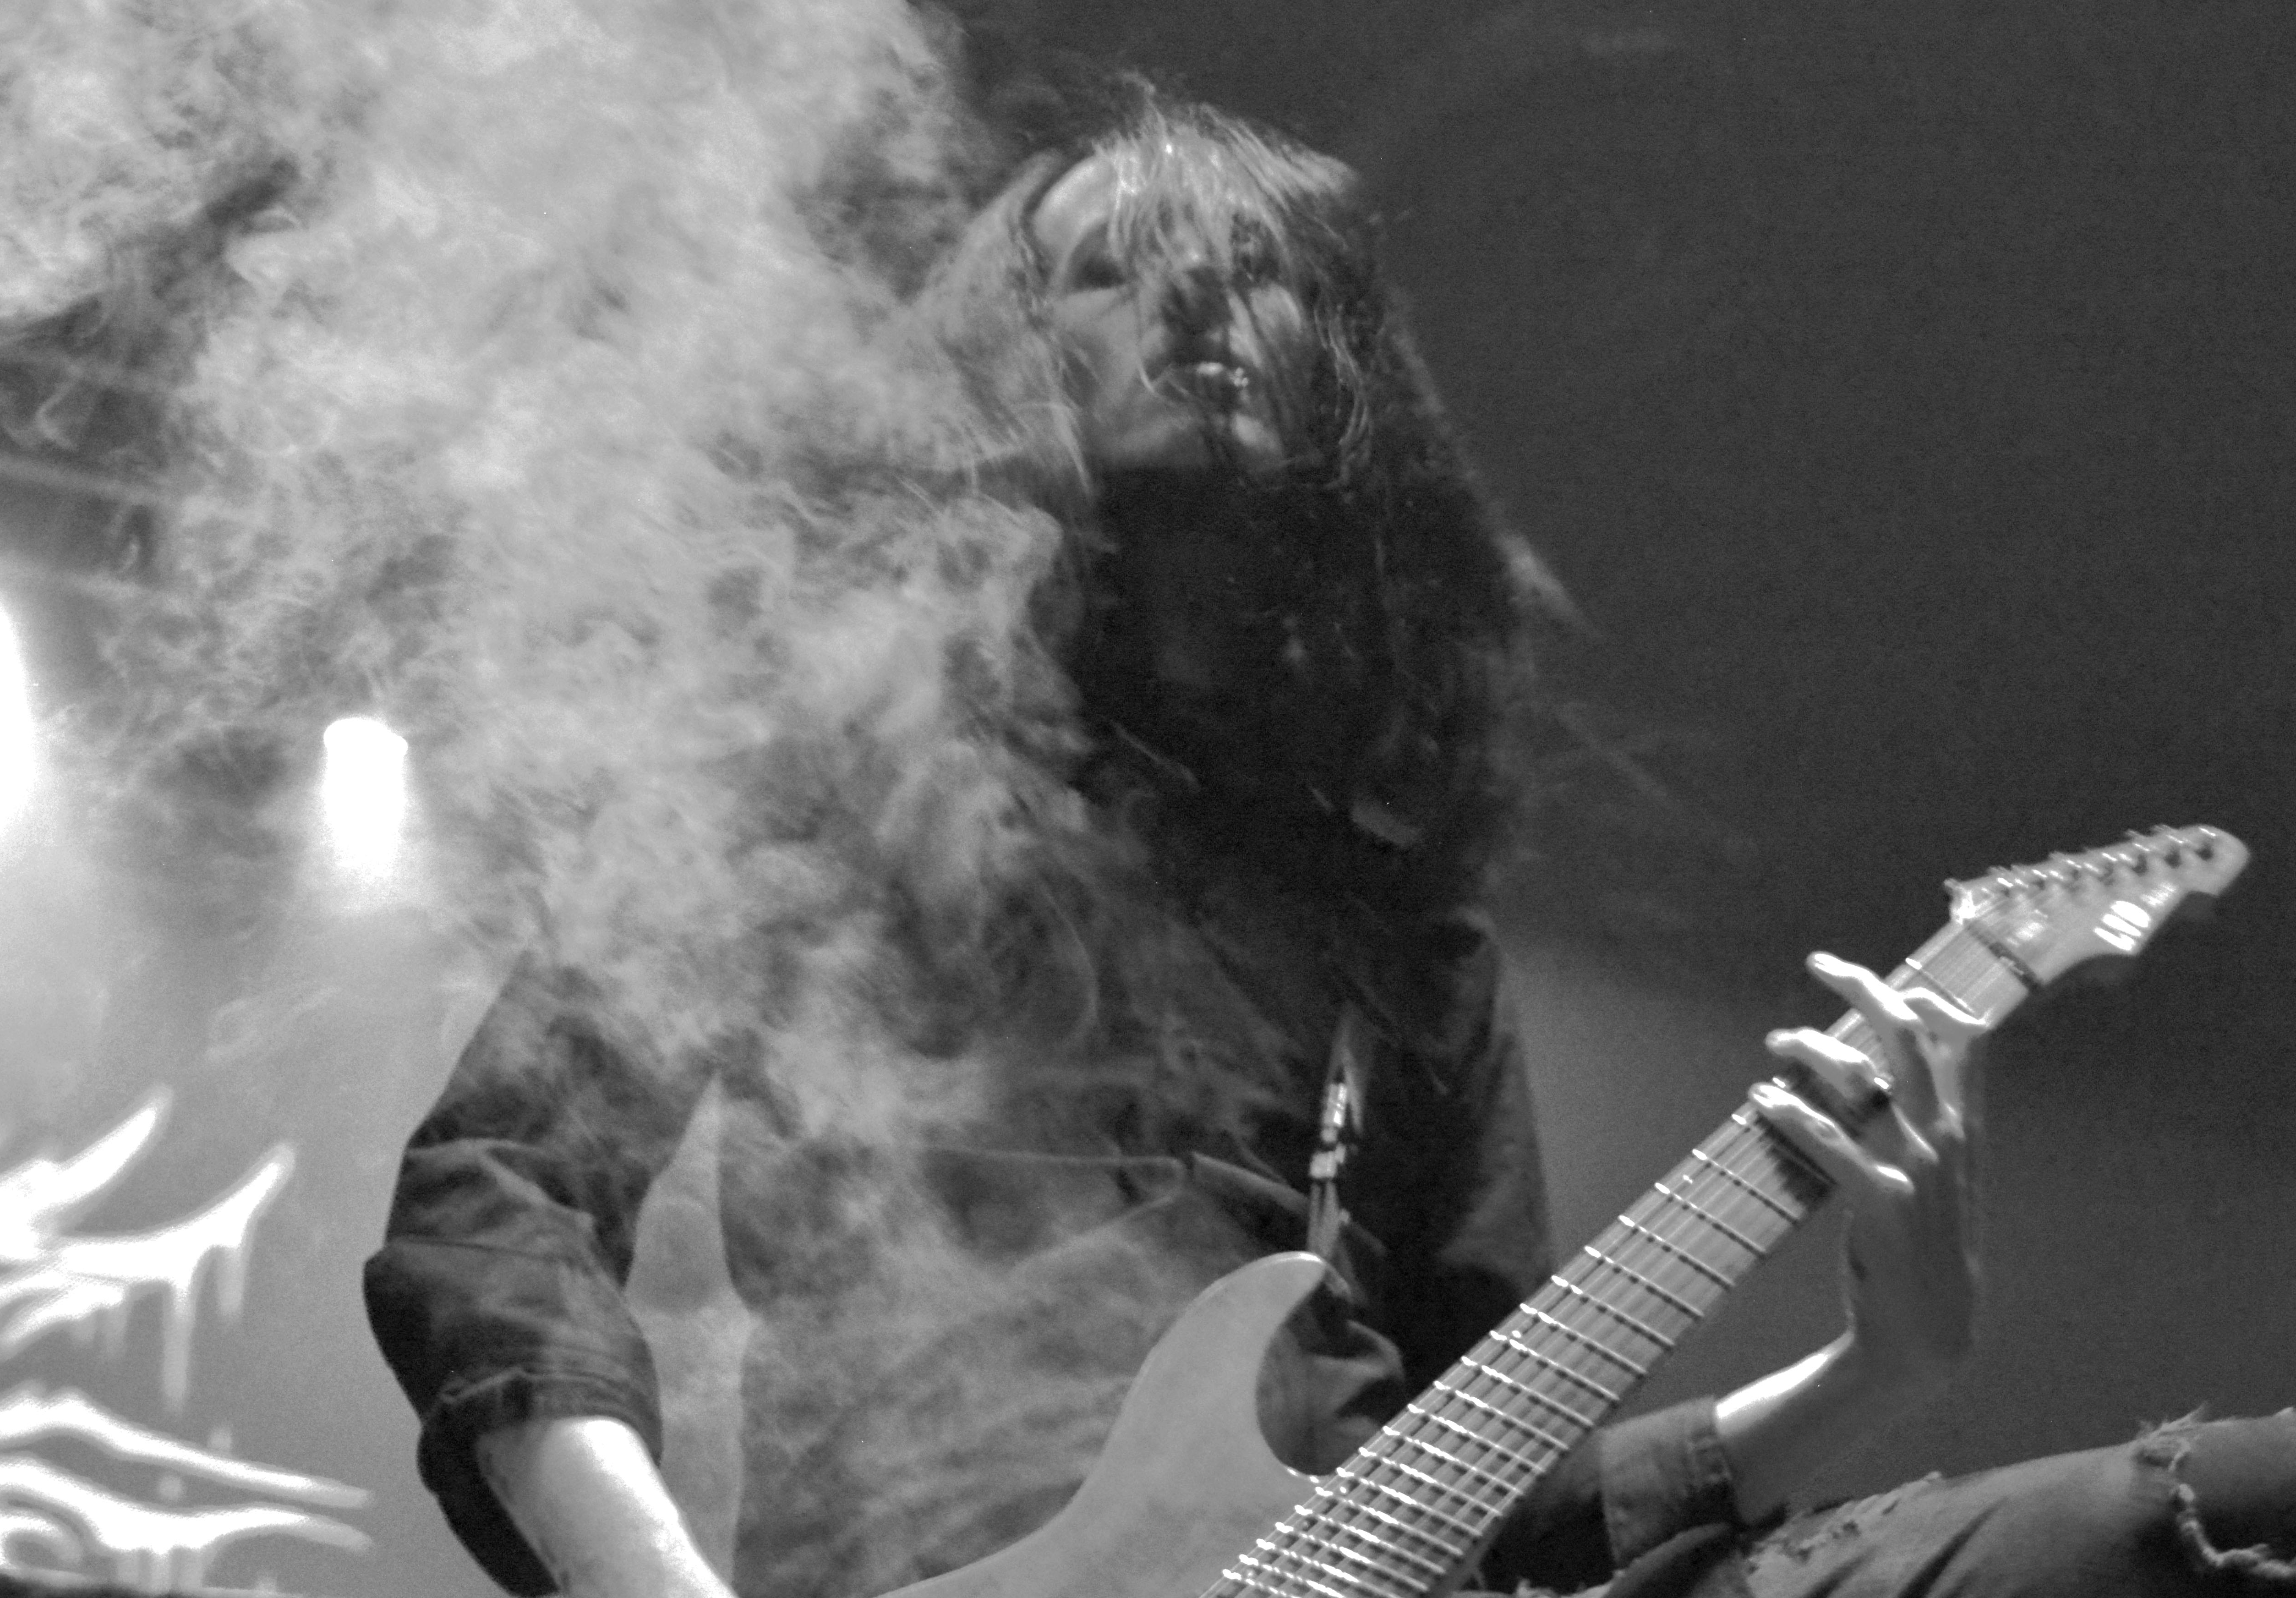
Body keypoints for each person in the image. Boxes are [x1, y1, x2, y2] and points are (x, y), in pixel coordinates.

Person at [362, 91, 2296, 1598]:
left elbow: (1492, 1495)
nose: (1197, 301)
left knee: (2211, 1504)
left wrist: (1888, 1362)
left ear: (1344, 377)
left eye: (1256, 269)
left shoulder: (1402, 933)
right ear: (1012, 368)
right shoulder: (828, 782)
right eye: (1110, 270)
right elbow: (493, 1193)